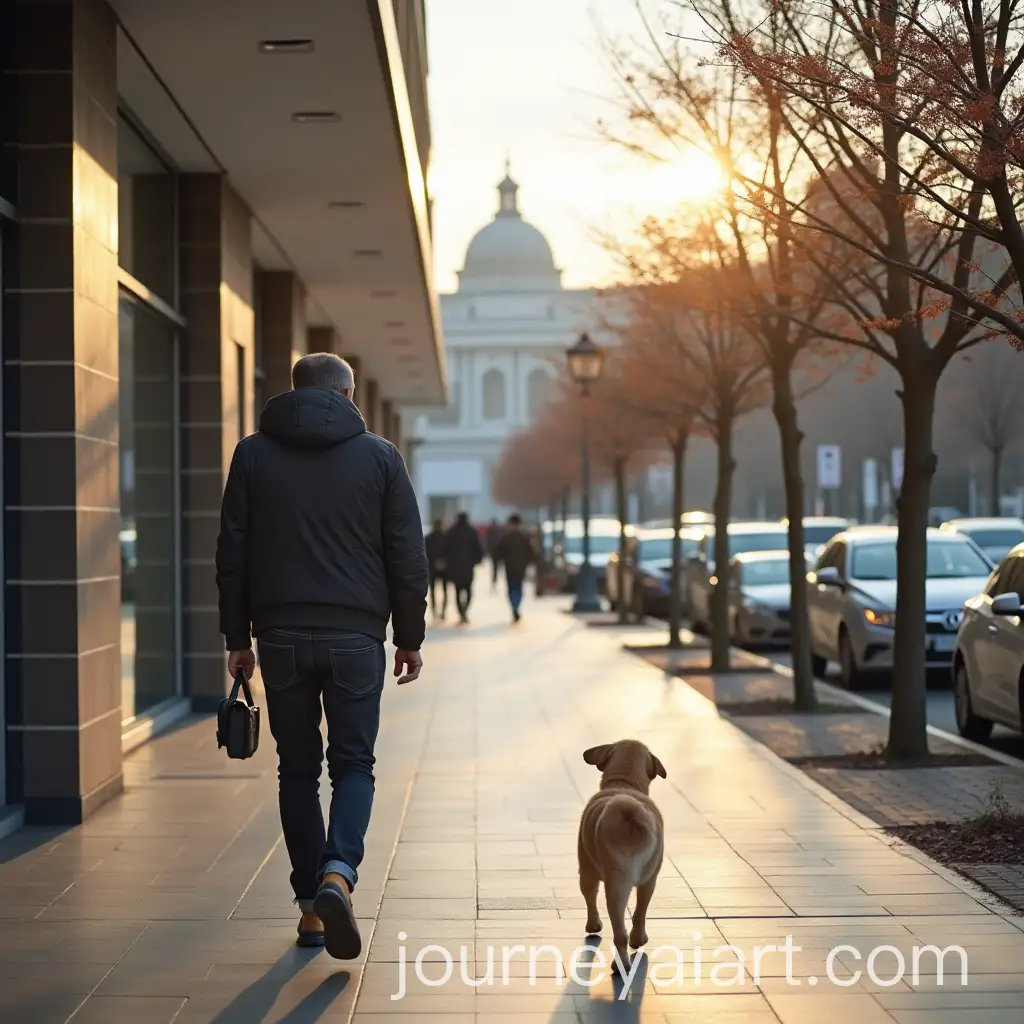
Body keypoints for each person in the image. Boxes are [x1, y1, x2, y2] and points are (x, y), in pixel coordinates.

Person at [215, 352, 428, 961]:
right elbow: (406, 553)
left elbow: (232, 551)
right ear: (344, 393)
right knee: (354, 765)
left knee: (296, 770)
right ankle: (339, 871)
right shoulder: (382, 458)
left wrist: (238, 638)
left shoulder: (252, 454)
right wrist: (409, 637)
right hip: (356, 638)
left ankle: (311, 906)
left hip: (279, 636)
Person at [444, 512, 484, 624]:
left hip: (455, 567)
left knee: (457, 591)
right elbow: (478, 548)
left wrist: (448, 562)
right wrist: (477, 561)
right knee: (468, 591)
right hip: (468, 567)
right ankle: (465, 611)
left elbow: (446, 549)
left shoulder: (451, 532)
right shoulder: (472, 532)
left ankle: (461, 613)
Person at [496, 514, 535, 622]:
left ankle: (514, 606)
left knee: (511, 588)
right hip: (520, 568)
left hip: (509, 568)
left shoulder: (505, 538)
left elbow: (498, 553)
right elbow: (531, 554)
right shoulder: (524, 538)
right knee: (518, 588)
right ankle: (516, 606)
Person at [425, 519, 449, 620]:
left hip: (432, 568)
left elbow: (425, 553)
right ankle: (443, 612)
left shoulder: (428, 538)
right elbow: (450, 552)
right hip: (445, 568)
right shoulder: (447, 538)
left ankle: (434, 612)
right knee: (444, 590)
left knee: (433, 591)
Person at [487, 518, 504, 589]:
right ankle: (495, 579)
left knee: (494, 567)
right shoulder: (499, 531)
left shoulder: (490, 530)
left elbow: (488, 541)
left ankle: (494, 579)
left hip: (493, 552)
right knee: (496, 567)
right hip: (497, 552)